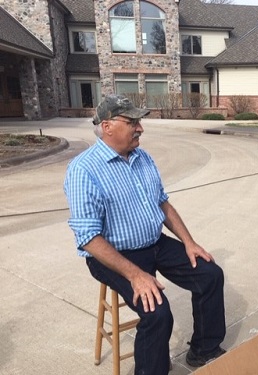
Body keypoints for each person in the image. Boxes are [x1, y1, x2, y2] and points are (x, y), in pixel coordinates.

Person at [64, 94, 226, 374]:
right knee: (158, 314)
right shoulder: (83, 170)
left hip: (155, 244)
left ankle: (203, 350)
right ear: (107, 126)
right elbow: (88, 238)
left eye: (139, 121)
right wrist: (136, 275)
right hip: (114, 255)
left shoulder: (142, 157)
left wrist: (189, 243)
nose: (140, 128)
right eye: (132, 122)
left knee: (210, 274)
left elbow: (162, 202)